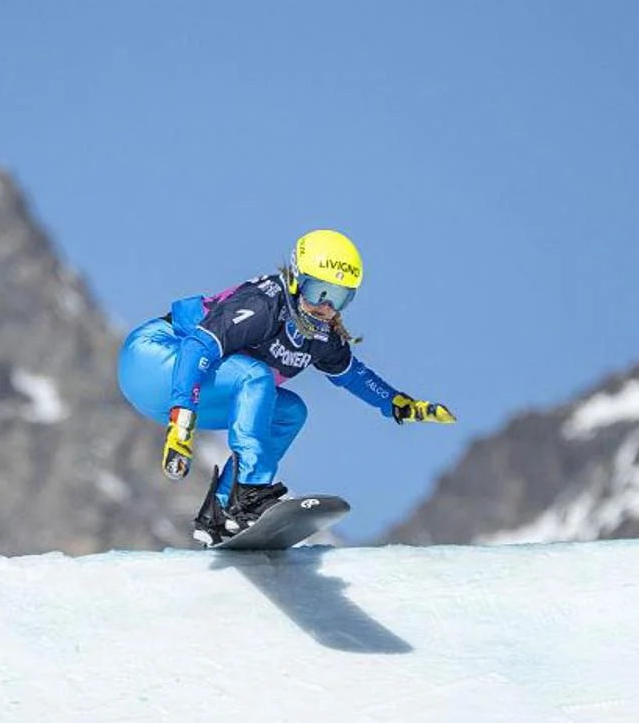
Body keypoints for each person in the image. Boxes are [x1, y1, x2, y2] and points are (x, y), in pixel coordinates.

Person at [117, 228, 456, 546]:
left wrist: (397, 403)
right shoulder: (263, 304)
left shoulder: (323, 336)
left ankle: (221, 513)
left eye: (338, 298)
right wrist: (181, 423)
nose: (325, 306)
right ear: (295, 279)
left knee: (289, 412)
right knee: (256, 377)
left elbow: (353, 374)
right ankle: (248, 492)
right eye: (316, 290)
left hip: (193, 386)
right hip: (154, 359)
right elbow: (198, 348)